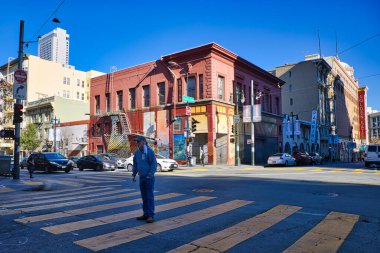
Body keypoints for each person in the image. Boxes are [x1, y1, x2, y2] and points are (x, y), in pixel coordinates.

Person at [132, 136, 157, 223]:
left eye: (138, 142)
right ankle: (145, 214)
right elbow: (135, 164)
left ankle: (150, 215)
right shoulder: (137, 152)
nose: (137, 144)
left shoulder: (150, 152)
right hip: (141, 177)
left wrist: (150, 175)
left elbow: (153, 165)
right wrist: (133, 174)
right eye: (137, 142)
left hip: (149, 178)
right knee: (144, 196)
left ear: (143, 142)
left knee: (149, 196)